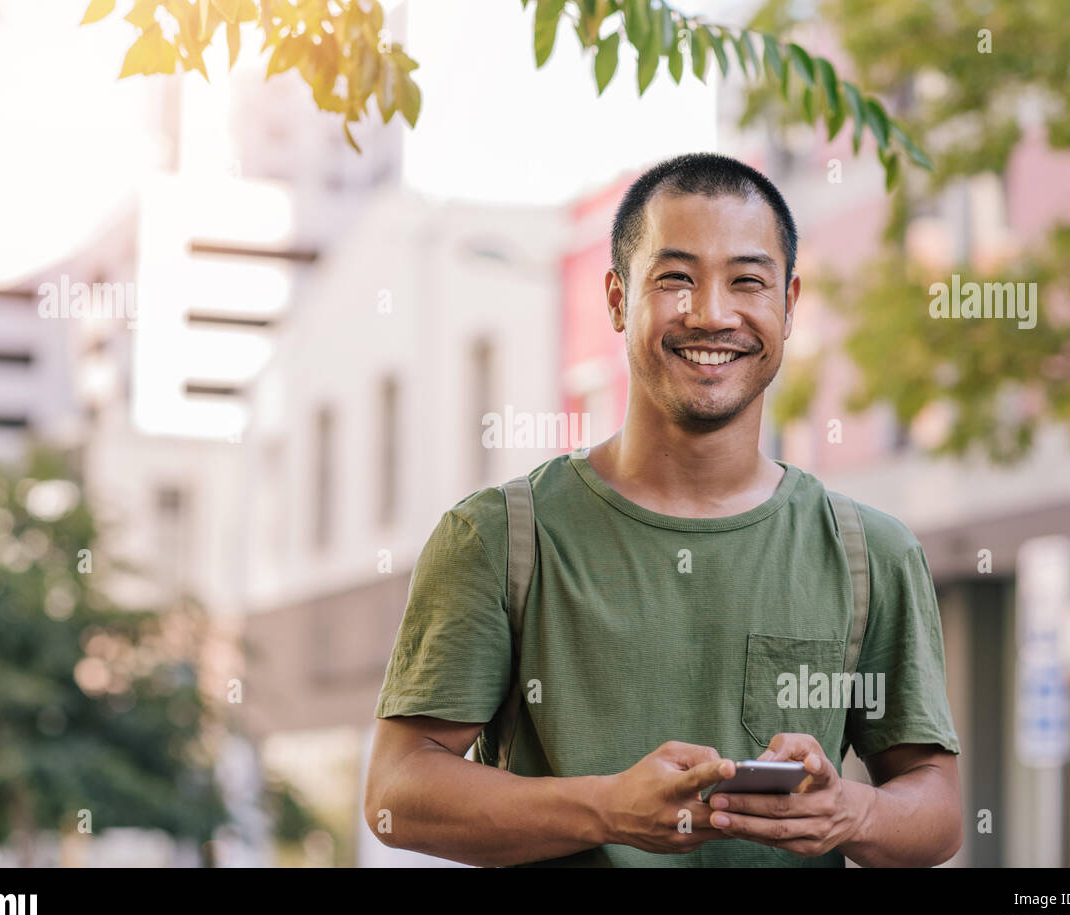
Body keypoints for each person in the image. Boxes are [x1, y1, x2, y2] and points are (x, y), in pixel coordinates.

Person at [364, 152, 963, 867]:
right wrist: (606, 808)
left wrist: (850, 809)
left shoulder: (871, 552)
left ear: (790, 304)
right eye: (676, 278)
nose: (711, 313)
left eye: (747, 281)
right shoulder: (497, 538)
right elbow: (397, 791)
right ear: (617, 300)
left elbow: (937, 808)